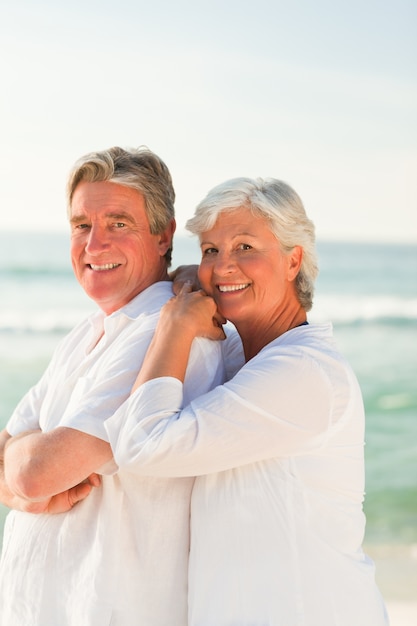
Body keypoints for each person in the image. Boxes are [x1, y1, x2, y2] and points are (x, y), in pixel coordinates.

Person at [106, 177, 389, 625]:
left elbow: (142, 445)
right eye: (211, 251)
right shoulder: (244, 355)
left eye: (245, 247)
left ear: (293, 259)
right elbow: (191, 281)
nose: (222, 268)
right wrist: (185, 286)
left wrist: (174, 327)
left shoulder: (304, 372)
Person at [0, 146, 226, 626]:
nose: (94, 244)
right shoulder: (89, 331)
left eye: (118, 223)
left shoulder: (168, 333)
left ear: (163, 235)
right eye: (82, 225)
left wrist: (25, 478)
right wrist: (21, 487)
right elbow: (9, 453)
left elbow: (33, 470)